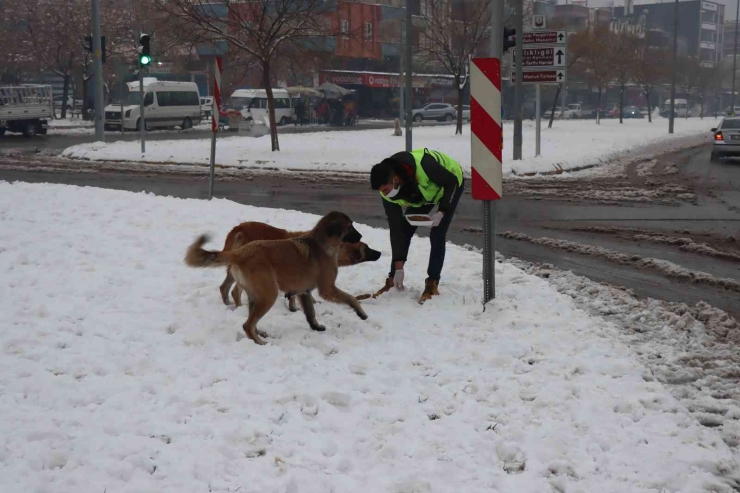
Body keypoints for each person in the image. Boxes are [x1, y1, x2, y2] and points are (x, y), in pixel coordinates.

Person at [370, 148, 464, 304]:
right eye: (381, 191)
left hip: (450, 184)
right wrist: (398, 267)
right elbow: (396, 228)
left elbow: (451, 183)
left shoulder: (426, 166)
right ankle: (392, 279)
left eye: (385, 190)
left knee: (437, 232)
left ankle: (432, 284)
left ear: (395, 179)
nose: (384, 194)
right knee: (404, 230)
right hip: (422, 195)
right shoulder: (386, 190)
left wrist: (442, 211)